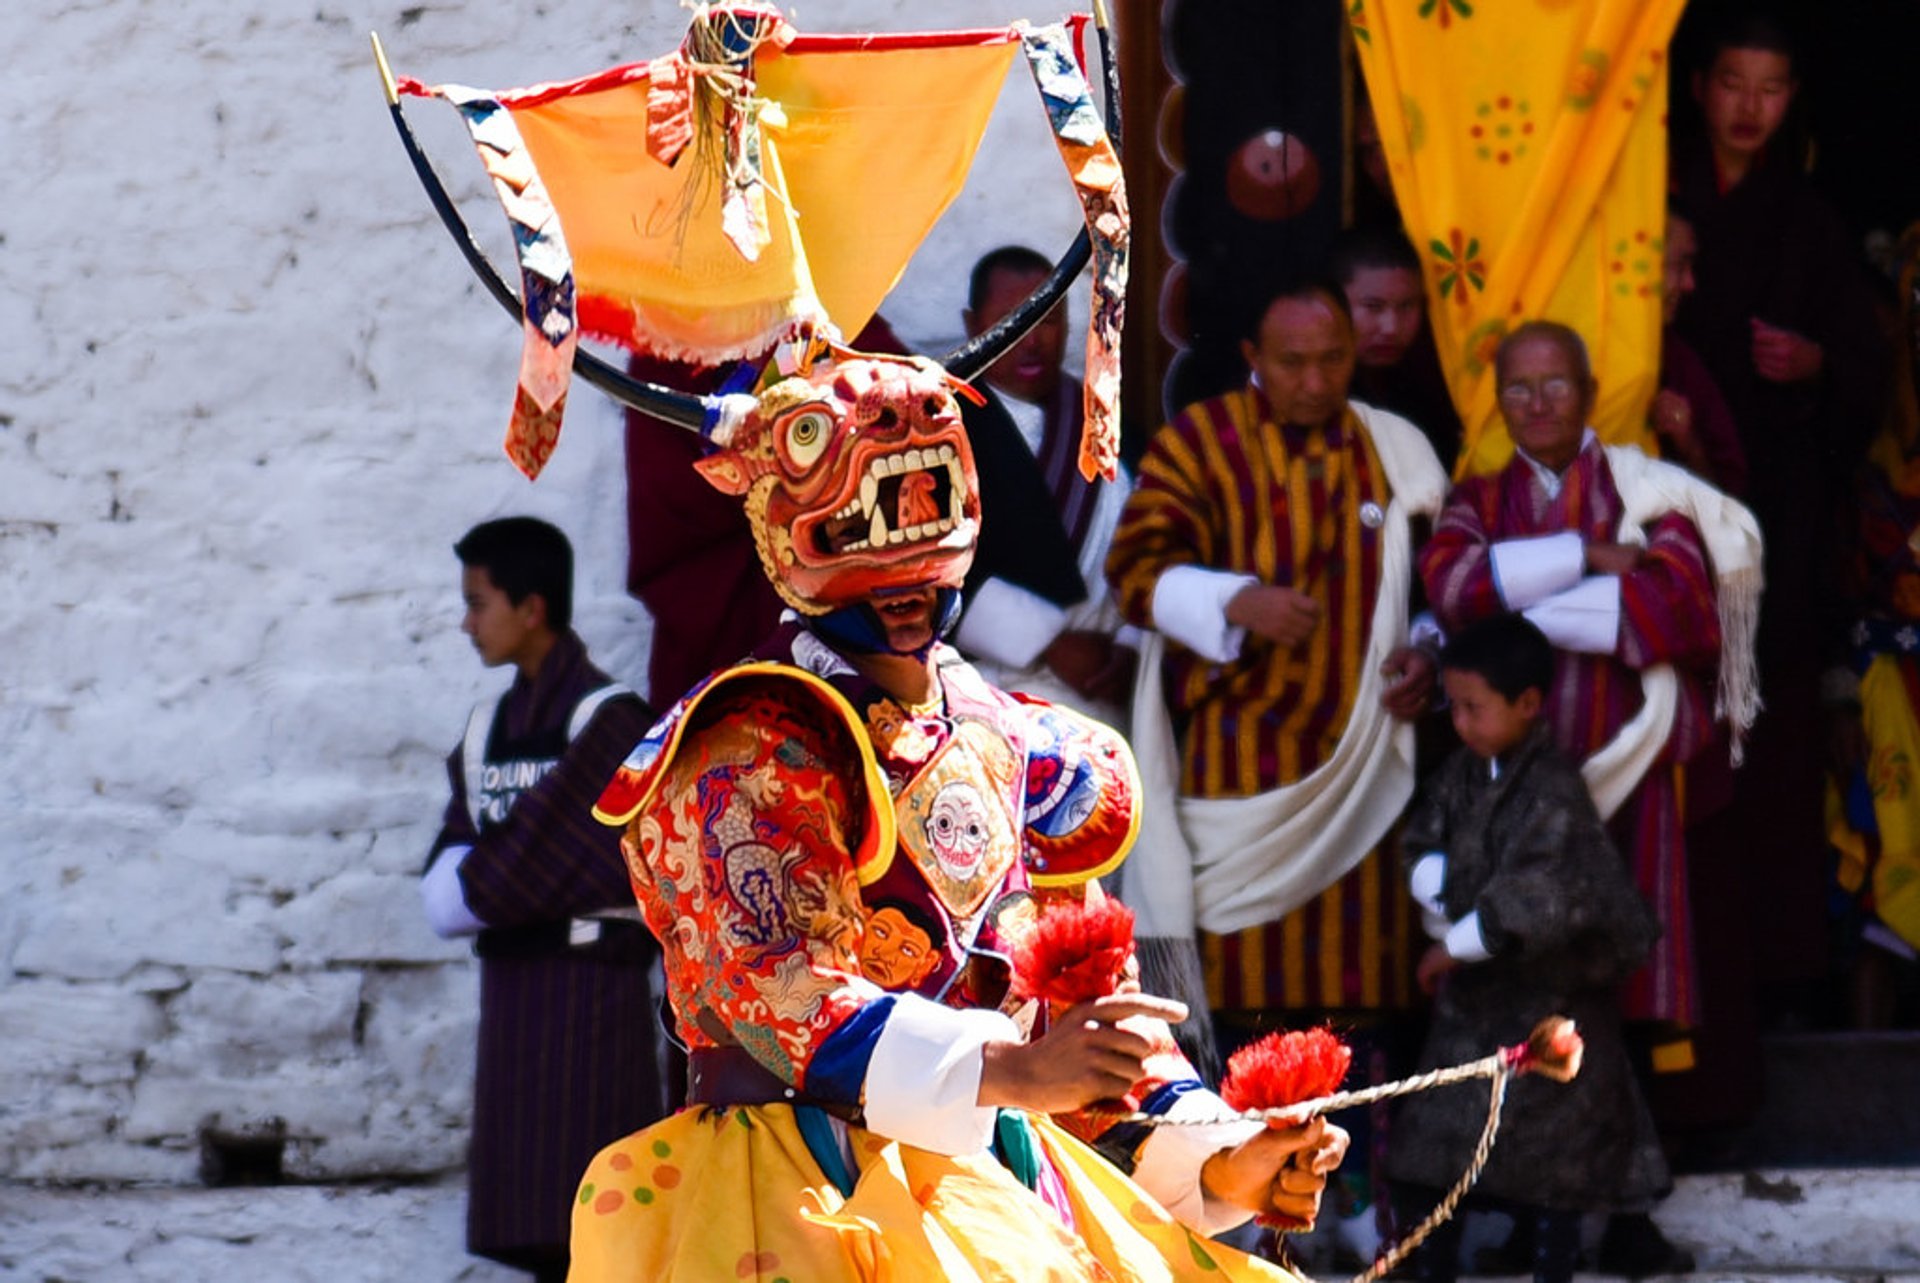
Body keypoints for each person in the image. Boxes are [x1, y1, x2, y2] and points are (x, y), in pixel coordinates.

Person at [571, 351, 1350, 1281]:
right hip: (801, 1189)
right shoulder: (754, 742)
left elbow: (1079, 1015)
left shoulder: (1017, 738)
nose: (905, 590)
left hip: (1014, 1183)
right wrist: (1013, 1073)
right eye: (865, 543)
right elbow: (775, 984)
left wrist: (1223, 1159)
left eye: (922, 528)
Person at [1105, 280, 1449, 1257]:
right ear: (1252, 353)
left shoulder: (1395, 448)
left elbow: (1440, 576)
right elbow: (1135, 572)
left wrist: (1427, 644)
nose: (1313, 379)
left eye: (1331, 359)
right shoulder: (1199, 445)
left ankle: (1368, 1225)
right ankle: (1242, 1230)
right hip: (1238, 776)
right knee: (1246, 1007)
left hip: (1366, 777)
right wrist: (1234, 598)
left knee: (1361, 1005)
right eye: (1291, 361)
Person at [1418, 321, 1763, 1275]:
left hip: (1628, 778)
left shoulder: (1647, 489)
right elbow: (1449, 588)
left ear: (1589, 386)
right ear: (1497, 398)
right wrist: (1589, 559)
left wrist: (1520, 596)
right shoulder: (1478, 497)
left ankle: (1631, 1211)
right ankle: (1535, 1212)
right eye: (1518, 388)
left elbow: (1681, 608)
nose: (1537, 404)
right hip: (1515, 794)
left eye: (1555, 384)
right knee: (1527, 991)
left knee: (1623, 993)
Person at [1672, 13, 1889, 1005]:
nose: (1750, 108)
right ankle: (1685, 972)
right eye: (1733, 84)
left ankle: (1785, 969)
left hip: (1779, 520)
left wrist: (1817, 364)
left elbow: (1872, 374)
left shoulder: (1810, 222)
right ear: (1700, 87)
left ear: (1794, 97)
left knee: (1774, 739)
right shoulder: (1654, 198)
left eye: (1771, 87)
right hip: (1665, 521)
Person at [420, 517, 669, 1283]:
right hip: (515, 996)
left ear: (531, 607)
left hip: (593, 997)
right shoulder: (488, 726)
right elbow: (442, 893)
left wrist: (486, 878)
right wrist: (493, 878)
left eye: (478, 602)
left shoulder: (613, 719)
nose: (466, 624)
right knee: (532, 1229)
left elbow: (514, 867)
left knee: (598, 1221)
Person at [1387, 614, 1670, 1283]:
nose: (1459, 721)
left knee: (1557, 1164)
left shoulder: (1553, 789)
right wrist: (1441, 893)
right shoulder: (1462, 773)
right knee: (1434, 1143)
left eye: (1474, 708)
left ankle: (1553, 1271)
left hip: (1556, 1004)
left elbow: (1542, 895)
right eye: (1452, 706)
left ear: (1528, 704)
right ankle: (1430, 1268)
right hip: (1477, 1006)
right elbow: (1422, 839)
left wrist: (1453, 945)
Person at [951, 245, 1137, 727]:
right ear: (973, 325)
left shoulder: (1104, 417)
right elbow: (930, 567)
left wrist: (1132, 647)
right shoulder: (945, 427)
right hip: (1001, 690)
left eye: (1049, 319)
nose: (1033, 339)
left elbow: (1153, 546)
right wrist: (1050, 643)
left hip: (1115, 685)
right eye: (1014, 318)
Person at [1333, 226, 1466, 472]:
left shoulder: (1437, 388)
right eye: (1373, 306)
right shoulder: (1316, 395)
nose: (1391, 328)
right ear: (1333, 302)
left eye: (1407, 306)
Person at [1653, 208, 1746, 494]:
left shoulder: (1680, 361)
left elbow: (1728, 493)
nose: (1689, 284)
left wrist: (1689, 443)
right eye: (1679, 265)